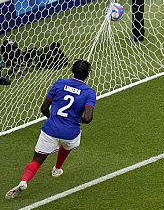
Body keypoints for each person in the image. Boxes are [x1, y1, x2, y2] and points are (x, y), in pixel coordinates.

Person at [5, 59, 96, 199]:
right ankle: (57, 169)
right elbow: (88, 118)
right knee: (67, 145)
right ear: (87, 75)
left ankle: (23, 181)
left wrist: (52, 118)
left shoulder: (59, 83)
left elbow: (43, 108)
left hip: (50, 129)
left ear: (72, 70)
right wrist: (75, 119)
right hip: (70, 133)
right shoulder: (89, 92)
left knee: (37, 160)